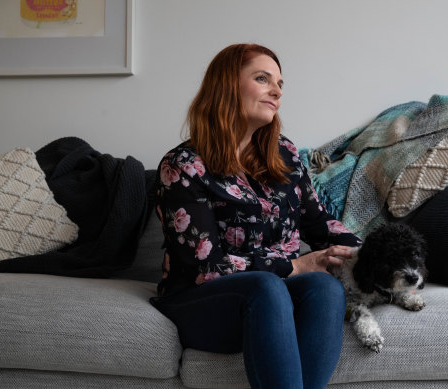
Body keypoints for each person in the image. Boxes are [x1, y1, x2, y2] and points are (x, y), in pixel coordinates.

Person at [150, 43, 362, 389]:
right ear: (227, 86)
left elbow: (321, 225)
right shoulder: (183, 166)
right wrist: (291, 266)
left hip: (275, 301)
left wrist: (368, 253)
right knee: (266, 286)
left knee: (323, 286)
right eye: (262, 78)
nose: (276, 91)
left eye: (280, 83)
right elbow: (207, 268)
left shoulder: (286, 155)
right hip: (203, 301)